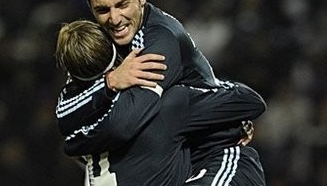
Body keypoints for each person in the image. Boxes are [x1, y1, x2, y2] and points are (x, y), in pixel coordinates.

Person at [55, 19, 266, 185]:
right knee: (238, 156)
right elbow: (251, 102)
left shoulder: (77, 130)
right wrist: (234, 125)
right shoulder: (168, 104)